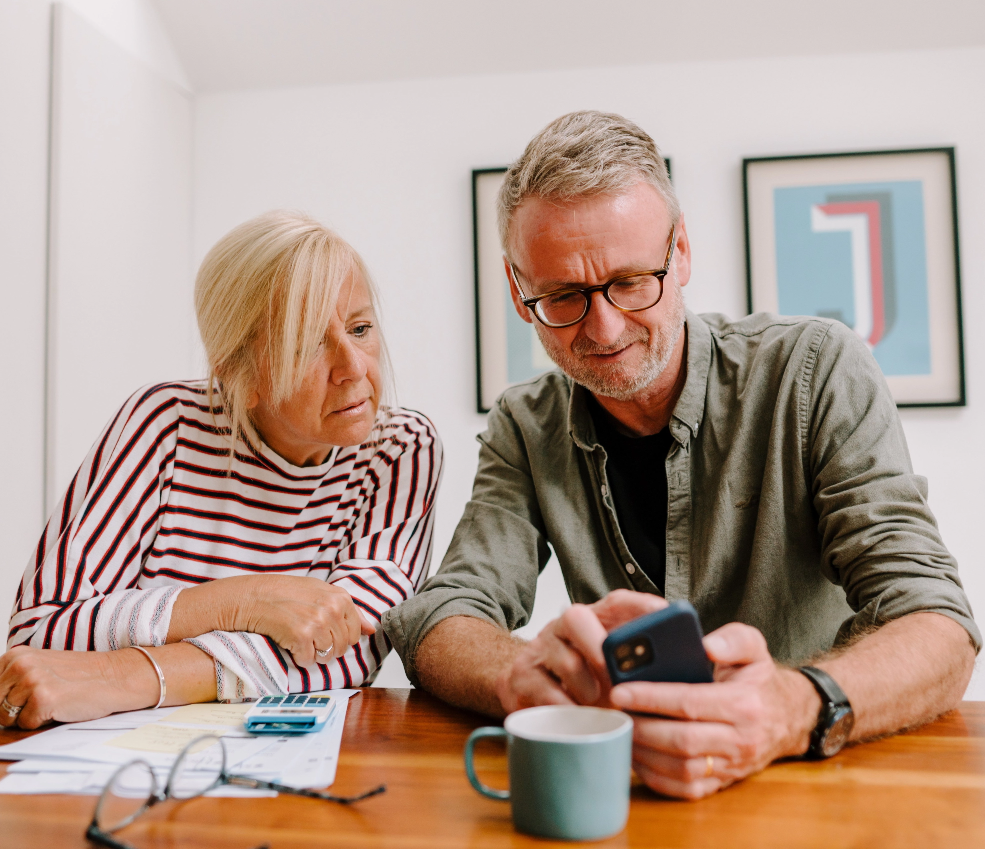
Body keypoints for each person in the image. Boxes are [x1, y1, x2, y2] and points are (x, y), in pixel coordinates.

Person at [381, 111, 979, 799]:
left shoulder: (814, 370)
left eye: (633, 280)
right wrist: (518, 673)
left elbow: (939, 625)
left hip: (814, 779)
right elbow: (441, 612)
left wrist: (792, 707)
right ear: (521, 293)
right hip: (628, 790)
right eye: (566, 296)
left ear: (683, 252)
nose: (604, 329)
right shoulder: (525, 424)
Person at [0, 211, 440, 729]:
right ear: (239, 374)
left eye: (360, 328)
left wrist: (128, 677)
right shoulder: (164, 424)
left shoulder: (401, 449)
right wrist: (249, 600)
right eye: (304, 345)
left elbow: (351, 646)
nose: (354, 367)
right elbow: (41, 632)